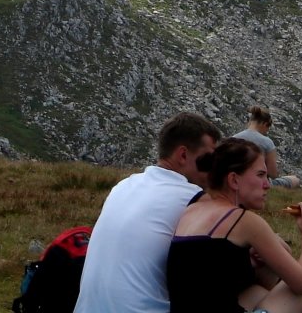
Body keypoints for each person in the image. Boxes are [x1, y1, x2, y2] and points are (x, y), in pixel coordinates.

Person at [167, 138, 302, 313]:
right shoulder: (242, 220)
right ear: (234, 180)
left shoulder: (191, 210)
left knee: (256, 291)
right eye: (260, 175)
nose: (267, 185)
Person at [73, 112, 222, 313]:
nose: (213, 170)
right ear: (183, 155)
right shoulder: (192, 197)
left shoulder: (123, 185)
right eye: (208, 160)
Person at [233, 105, 300, 188]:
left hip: (236, 181)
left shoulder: (233, 138)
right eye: (268, 127)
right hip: (259, 183)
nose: (266, 131)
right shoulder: (266, 142)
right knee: (295, 179)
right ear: (264, 124)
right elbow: (273, 173)